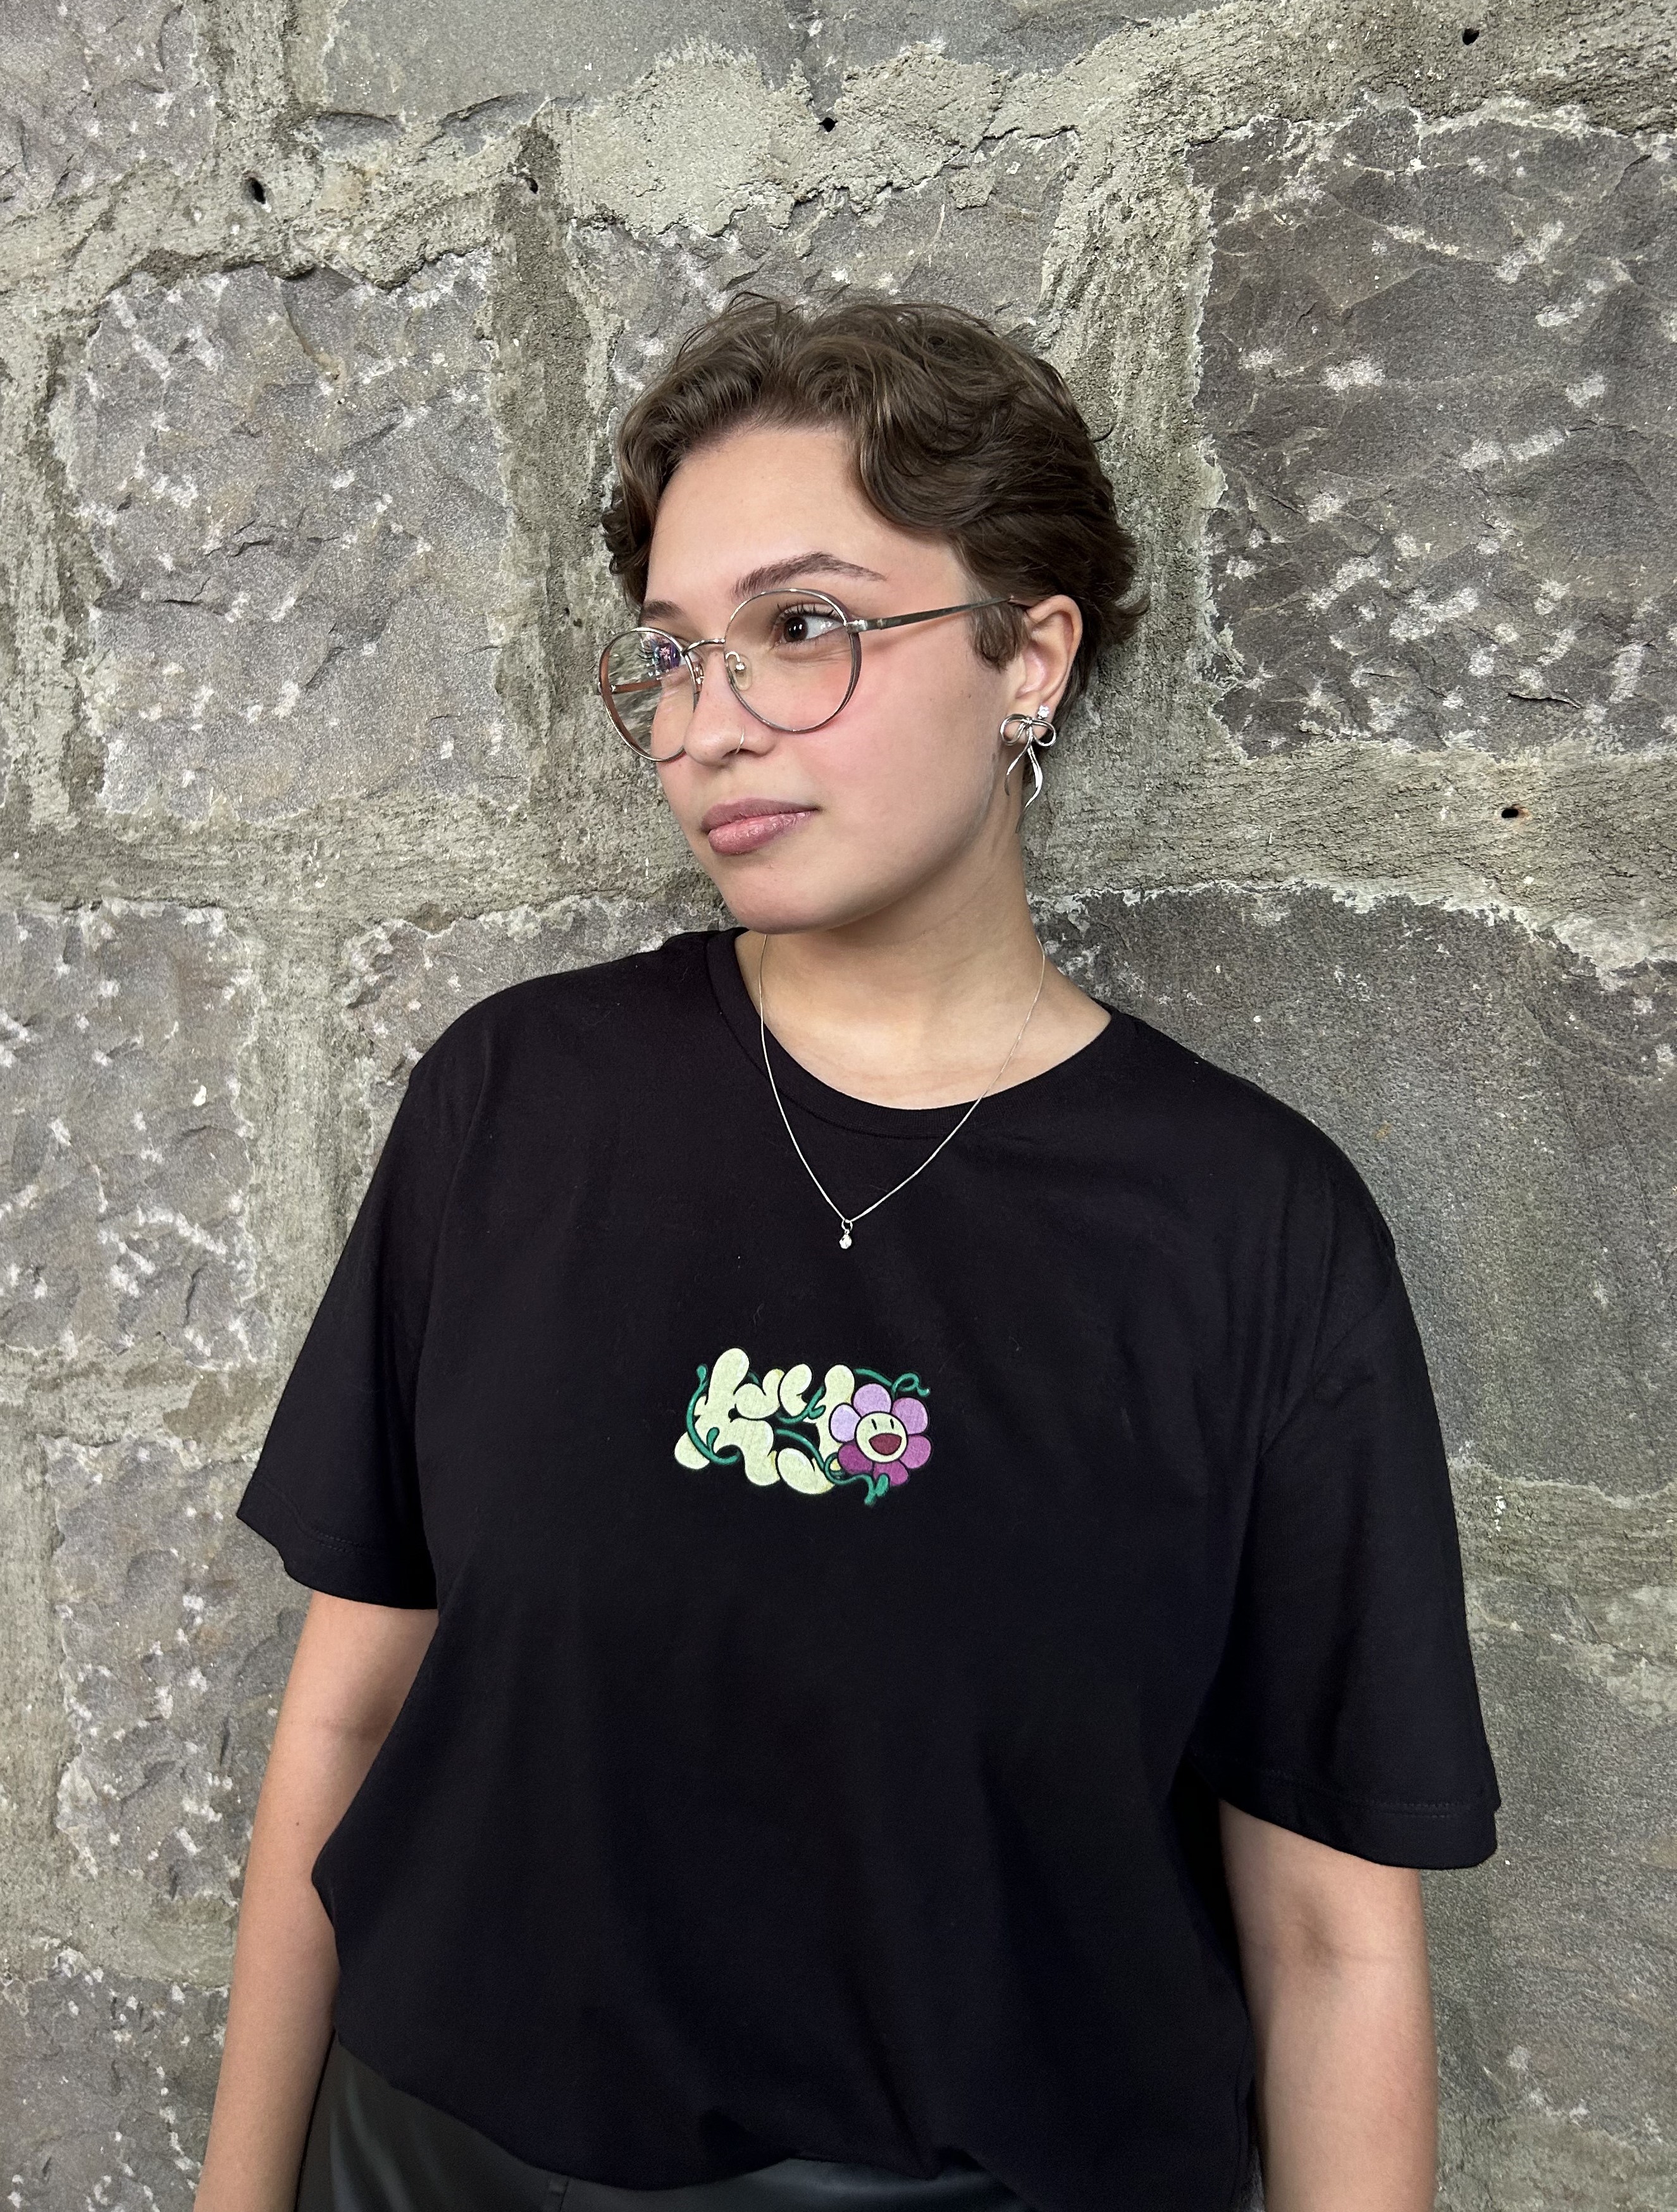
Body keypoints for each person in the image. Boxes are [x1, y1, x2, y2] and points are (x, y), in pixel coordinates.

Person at [194, 294, 1499, 2212]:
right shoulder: (515, 1105)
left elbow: (1329, 1934)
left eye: (804, 626)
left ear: (1028, 653)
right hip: (433, 2166)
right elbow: (350, 1712)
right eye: (670, 652)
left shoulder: (1247, 1231)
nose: (706, 723)